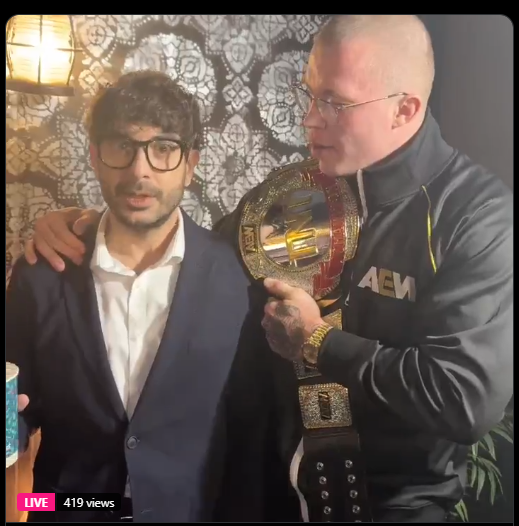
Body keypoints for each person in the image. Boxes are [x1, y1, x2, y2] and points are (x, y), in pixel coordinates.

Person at [21, 15, 513, 523]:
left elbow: (465, 399)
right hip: (267, 500)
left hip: (395, 510)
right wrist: (88, 225)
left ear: (403, 109)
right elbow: (197, 253)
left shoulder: (474, 216)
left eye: (334, 103)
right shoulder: (293, 193)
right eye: (309, 95)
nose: (308, 120)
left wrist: (318, 341)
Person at [6, 70, 276, 522]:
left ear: (190, 164)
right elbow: (17, 404)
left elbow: (252, 431)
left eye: (163, 148)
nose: (140, 170)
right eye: (122, 146)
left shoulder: (238, 278)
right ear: (95, 157)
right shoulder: (41, 274)